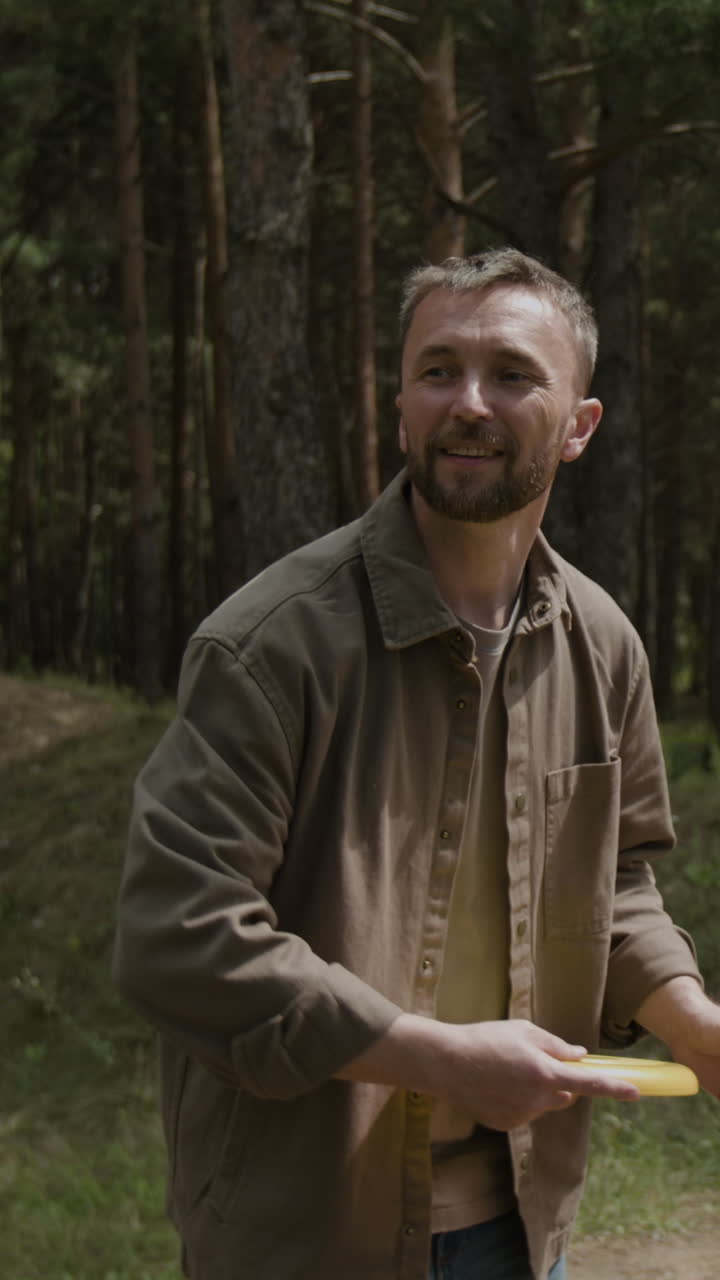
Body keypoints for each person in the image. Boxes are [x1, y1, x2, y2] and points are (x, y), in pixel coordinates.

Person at [113, 247, 720, 1280]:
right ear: (401, 406)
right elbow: (179, 933)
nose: (469, 402)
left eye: (513, 374)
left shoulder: (602, 641)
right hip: (302, 1234)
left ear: (579, 426)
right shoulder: (271, 645)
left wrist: (695, 1022)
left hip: (526, 1230)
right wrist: (436, 1055)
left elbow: (613, 883)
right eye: (438, 369)